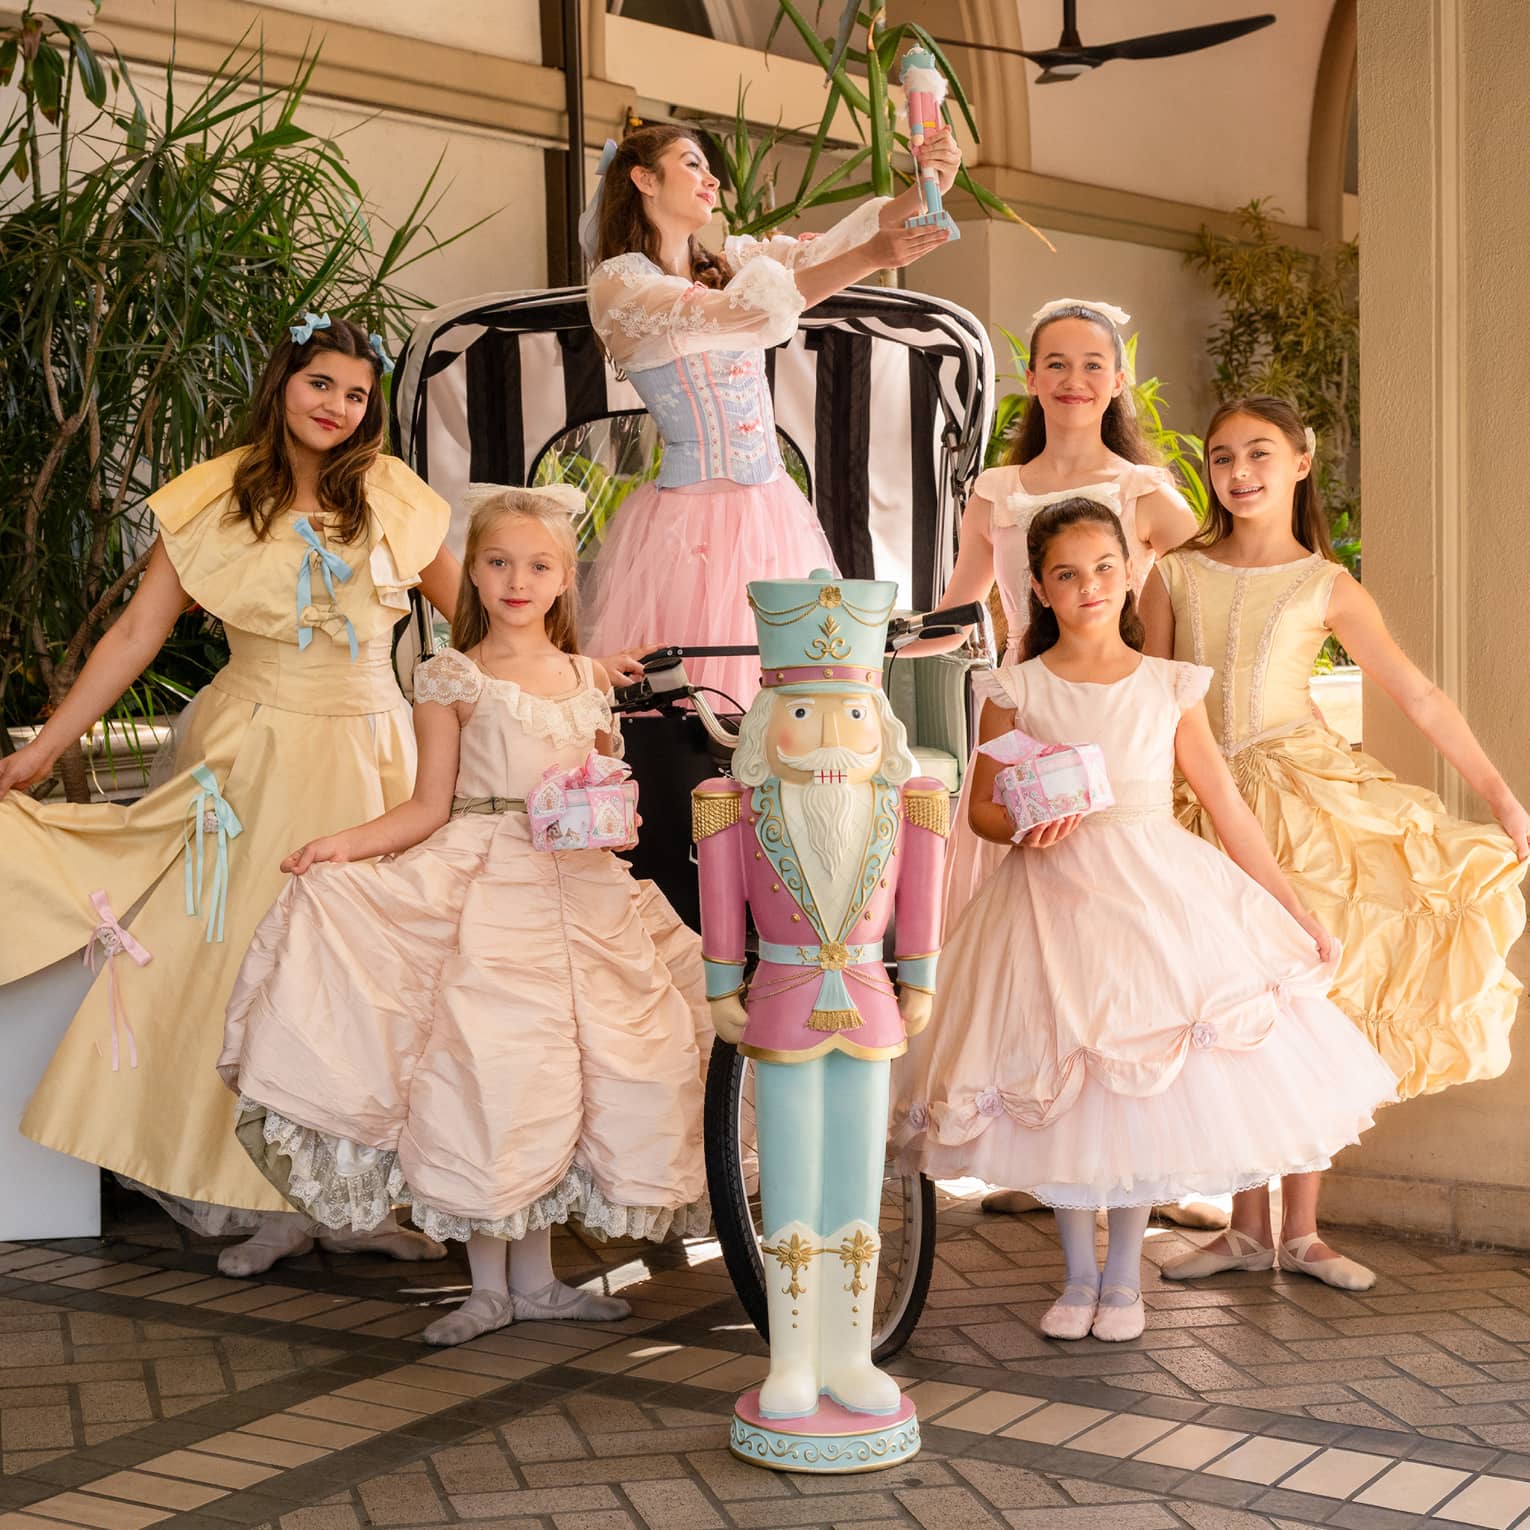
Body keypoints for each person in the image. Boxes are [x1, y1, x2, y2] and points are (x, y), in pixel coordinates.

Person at [0, 316, 463, 1274]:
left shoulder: (392, 495)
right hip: (255, 760)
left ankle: (358, 1197)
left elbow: (484, 622)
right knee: (243, 966)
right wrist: (46, 746)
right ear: (282, 381)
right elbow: (137, 635)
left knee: (374, 976)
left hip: (378, 760)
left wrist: (570, 685)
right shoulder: (215, 496)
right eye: (320, 383)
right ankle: (267, 1197)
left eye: (356, 394)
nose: (337, 406)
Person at [893, 498, 1396, 1341]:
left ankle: (1124, 1279)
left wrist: (1292, 906)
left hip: (1151, 896)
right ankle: (1077, 1276)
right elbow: (980, 808)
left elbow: (1225, 805)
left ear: (1131, 574)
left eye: (1103, 568)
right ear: (1040, 590)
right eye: (1065, 574)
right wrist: (1022, 824)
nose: (1088, 586)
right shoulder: (1015, 689)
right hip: (1047, 901)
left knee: (1135, 1088)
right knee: (1060, 1081)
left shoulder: (1168, 685)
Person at [221, 484, 710, 1345]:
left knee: (568, 1077)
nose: (518, 581)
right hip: (487, 886)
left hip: (582, 891)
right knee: (492, 1073)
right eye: (498, 562)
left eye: (539, 565)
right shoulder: (452, 676)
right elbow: (427, 807)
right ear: (472, 572)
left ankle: (540, 1282)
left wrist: (611, 812)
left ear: (565, 578)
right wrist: (342, 846)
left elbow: (604, 786)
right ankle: (488, 1289)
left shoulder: (587, 679)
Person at [1141, 395, 1529, 1290]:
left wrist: (1503, 798)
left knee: (1314, 1007)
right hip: (1198, 802)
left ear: (1301, 463)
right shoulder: (1175, 573)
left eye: (1260, 453)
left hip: (1303, 802)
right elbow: (1152, 694)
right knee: (1227, 1009)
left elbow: (1417, 694)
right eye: (1223, 456)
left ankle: (1305, 1232)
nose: (1240, 472)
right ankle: (1243, 1228)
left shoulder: (1327, 584)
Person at [581, 123, 960, 710]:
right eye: (691, 164)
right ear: (644, 179)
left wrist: (927, 185)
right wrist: (871, 257)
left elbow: (819, 253)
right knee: (701, 693)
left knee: (792, 691)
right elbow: (744, 313)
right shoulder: (621, 284)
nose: (711, 180)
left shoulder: (726, 261)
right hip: (690, 522)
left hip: (771, 511)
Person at [693, 568, 945, 1429]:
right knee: (791, 1176)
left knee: (858, 1180)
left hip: (869, 996)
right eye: (804, 713)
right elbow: (722, 905)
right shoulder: (731, 805)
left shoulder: (911, 803)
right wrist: (721, 985)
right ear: (769, 721)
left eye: (851, 715)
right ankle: (792, 1358)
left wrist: (920, 978)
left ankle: (851, 1354)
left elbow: (922, 902)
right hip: (781, 995)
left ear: (880, 722)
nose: (830, 736)